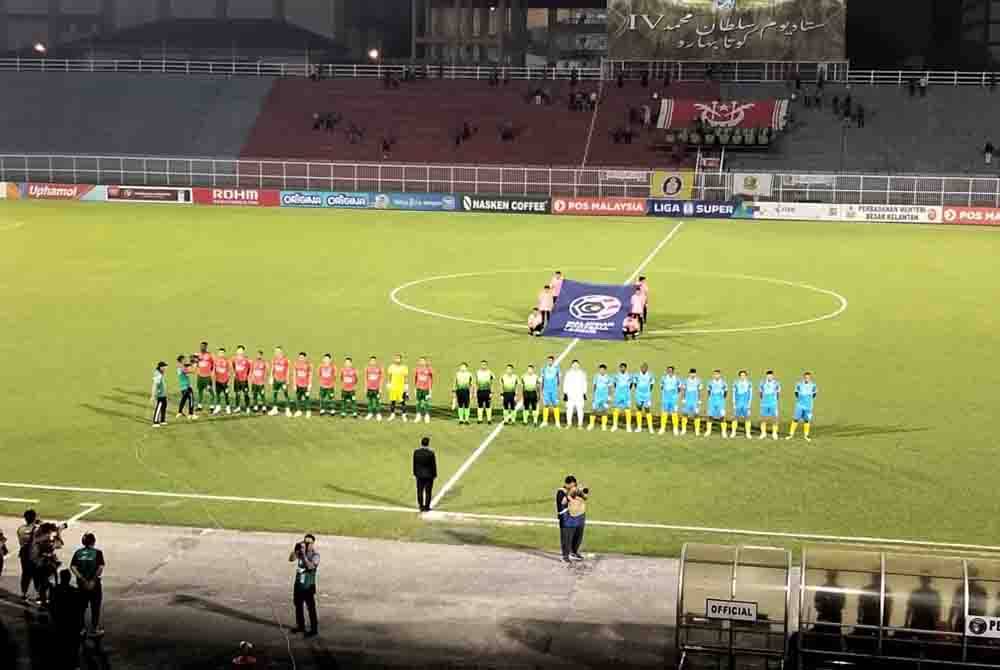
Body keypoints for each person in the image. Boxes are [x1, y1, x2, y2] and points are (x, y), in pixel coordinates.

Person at [70, 532, 105, 635]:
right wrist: (92, 581)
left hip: (81, 585)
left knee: (81, 608)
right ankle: (94, 628)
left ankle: (81, 629)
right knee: (95, 607)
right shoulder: (98, 552)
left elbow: (73, 567)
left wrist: (82, 579)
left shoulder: (78, 552)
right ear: (94, 541)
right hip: (95, 585)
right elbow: (100, 567)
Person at [49, 569, 83, 668]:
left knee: (59, 644)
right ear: (69, 578)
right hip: (72, 622)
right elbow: (79, 609)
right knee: (73, 645)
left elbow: (51, 606)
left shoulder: (55, 590)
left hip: (59, 621)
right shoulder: (75, 591)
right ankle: (75, 664)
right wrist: (81, 625)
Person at [289, 534, 320, 637]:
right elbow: (291, 559)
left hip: (308, 586)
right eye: (305, 542)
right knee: (298, 606)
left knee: (310, 608)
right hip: (298, 585)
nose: (306, 545)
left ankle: (314, 629)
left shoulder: (315, 555)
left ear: (312, 544)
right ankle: (301, 626)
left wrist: (304, 556)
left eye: (308, 543)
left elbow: (310, 567)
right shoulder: (301, 552)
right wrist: (295, 550)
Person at [556, 476, 587, 563]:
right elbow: (563, 502)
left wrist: (581, 492)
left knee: (578, 536)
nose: (573, 487)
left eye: (574, 485)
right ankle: (565, 556)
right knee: (567, 538)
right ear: (567, 484)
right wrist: (571, 493)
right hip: (567, 518)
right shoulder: (561, 492)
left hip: (578, 517)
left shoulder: (577, 490)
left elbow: (585, 498)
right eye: (571, 485)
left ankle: (574, 552)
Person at [787, 371, 817, 441]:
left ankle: (806, 436)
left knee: (807, 420)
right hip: (799, 405)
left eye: (808, 378)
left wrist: (809, 400)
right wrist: (800, 400)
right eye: (806, 377)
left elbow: (814, 394)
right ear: (804, 378)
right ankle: (791, 434)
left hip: (808, 406)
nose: (807, 379)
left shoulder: (813, 385)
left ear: (810, 378)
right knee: (795, 419)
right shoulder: (799, 384)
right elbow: (796, 392)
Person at [17, 509, 38, 601]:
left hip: (23, 553)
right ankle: (39, 595)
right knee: (37, 574)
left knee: (25, 574)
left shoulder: (20, 529)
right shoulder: (37, 529)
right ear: (34, 518)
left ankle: (23, 593)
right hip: (34, 554)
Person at [413, 437, 437, 512]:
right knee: (428, 491)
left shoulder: (416, 452)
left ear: (421, 443)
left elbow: (414, 464)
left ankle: (421, 506)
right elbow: (433, 465)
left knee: (419, 491)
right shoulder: (431, 453)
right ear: (428, 443)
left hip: (419, 475)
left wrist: (415, 473)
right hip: (429, 475)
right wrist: (434, 474)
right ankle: (427, 507)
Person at [563, 360, 587, 430]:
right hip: (570, 395)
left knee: (580, 409)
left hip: (579, 395)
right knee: (569, 410)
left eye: (577, 365)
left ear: (579, 365)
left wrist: (584, 393)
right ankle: (569, 424)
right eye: (574, 365)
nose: (575, 366)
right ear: (571, 365)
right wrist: (565, 393)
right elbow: (565, 383)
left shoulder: (582, 373)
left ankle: (580, 425)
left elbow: (584, 383)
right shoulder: (568, 373)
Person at [704, 370, 729, 438]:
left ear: (720, 375)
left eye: (717, 374)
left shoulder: (723, 383)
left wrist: (722, 399)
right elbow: (708, 391)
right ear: (713, 375)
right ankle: (708, 431)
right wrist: (711, 398)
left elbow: (726, 391)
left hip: (720, 401)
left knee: (722, 416)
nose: (716, 376)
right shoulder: (710, 382)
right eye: (715, 374)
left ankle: (723, 432)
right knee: (710, 416)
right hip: (712, 401)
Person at [269, 346, 292, 417]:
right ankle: (275, 409)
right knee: (275, 394)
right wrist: (271, 377)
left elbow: (288, 370)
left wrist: (287, 380)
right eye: (275, 351)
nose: (276, 353)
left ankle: (288, 410)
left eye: (278, 351)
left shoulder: (286, 360)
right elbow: (272, 368)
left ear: (281, 352)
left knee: (286, 394)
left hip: (283, 380)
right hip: (276, 379)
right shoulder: (274, 360)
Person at [611, 362, 634, 432]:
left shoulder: (629, 376)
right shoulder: (616, 376)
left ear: (626, 368)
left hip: (626, 395)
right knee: (616, 410)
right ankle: (614, 426)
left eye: (624, 367)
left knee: (627, 410)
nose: (622, 368)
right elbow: (614, 384)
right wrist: (618, 390)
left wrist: (627, 391)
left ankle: (628, 426)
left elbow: (631, 384)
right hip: (618, 395)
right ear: (619, 368)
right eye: (621, 367)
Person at [731, 370, 754, 439]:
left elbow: (750, 395)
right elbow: (733, 394)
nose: (742, 377)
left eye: (744, 375)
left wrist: (749, 404)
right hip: (738, 403)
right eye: (741, 376)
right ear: (739, 376)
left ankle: (748, 433)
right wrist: (734, 403)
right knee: (735, 418)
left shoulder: (749, 383)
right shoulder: (736, 383)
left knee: (747, 418)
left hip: (745, 404)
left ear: (746, 376)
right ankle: (733, 432)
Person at [759, 370, 782, 440]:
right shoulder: (762, 383)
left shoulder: (776, 383)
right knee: (763, 418)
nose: (769, 377)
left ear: (773, 376)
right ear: (766, 376)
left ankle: (774, 433)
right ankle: (763, 433)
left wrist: (775, 401)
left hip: (773, 403)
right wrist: (763, 400)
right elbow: (760, 393)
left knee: (774, 418)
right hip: (764, 403)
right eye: (768, 376)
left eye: (771, 376)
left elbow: (778, 393)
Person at [589, 364, 612, 431]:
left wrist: (609, 397)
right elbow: (594, 386)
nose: (601, 371)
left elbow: (610, 387)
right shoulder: (596, 376)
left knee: (604, 411)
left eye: (603, 370)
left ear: (605, 370)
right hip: (597, 396)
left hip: (604, 397)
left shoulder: (608, 377)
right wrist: (593, 395)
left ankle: (604, 425)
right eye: (600, 370)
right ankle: (591, 424)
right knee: (594, 410)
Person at [679, 368, 702, 436]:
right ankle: (683, 430)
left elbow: (699, 391)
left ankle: (697, 431)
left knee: (696, 415)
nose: (692, 374)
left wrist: (699, 400)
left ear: (695, 374)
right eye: (691, 373)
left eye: (693, 373)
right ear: (689, 373)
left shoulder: (698, 381)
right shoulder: (685, 381)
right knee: (685, 414)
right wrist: (683, 399)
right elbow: (683, 390)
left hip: (695, 400)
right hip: (687, 400)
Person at [659, 365, 681, 435]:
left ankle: (675, 429)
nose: (669, 372)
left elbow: (679, 388)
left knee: (674, 413)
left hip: (673, 399)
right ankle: (662, 428)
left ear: (673, 371)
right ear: (667, 371)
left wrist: (675, 395)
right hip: (665, 398)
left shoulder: (677, 379)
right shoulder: (663, 378)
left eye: (671, 370)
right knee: (664, 413)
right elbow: (661, 387)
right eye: (668, 370)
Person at [386, 354, 409, 422]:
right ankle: (392, 414)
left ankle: (404, 415)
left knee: (403, 402)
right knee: (392, 401)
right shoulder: (391, 367)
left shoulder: (404, 367)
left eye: (399, 358)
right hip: (393, 387)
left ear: (401, 359)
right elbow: (389, 376)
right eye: (396, 358)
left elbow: (406, 377)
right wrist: (389, 383)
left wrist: (406, 386)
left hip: (401, 387)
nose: (397, 360)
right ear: (394, 359)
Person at [634, 363, 655, 434]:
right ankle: (639, 427)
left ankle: (650, 428)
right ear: (640, 368)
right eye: (642, 368)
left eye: (645, 368)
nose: (643, 369)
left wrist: (648, 392)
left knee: (647, 410)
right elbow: (635, 384)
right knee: (639, 409)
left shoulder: (650, 375)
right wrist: (638, 392)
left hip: (646, 395)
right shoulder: (637, 375)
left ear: (647, 368)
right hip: (639, 395)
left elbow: (652, 384)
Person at [540, 355, 561, 428]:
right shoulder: (543, 369)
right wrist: (542, 389)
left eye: (551, 361)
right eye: (549, 360)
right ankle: (544, 421)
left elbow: (558, 380)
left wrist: (557, 389)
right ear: (547, 361)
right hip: (546, 390)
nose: (550, 362)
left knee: (555, 405)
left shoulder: (557, 369)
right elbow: (542, 380)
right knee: (546, 405)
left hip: (554, 390)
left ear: (553, 361)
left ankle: (557, 422)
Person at [413, 357, 434, 423]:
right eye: (420, 361)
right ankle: (418, 415)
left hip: (426, 388)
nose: (422, 362)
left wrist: (430, 389)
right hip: (419, 388)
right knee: (418, 402)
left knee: (426, 402)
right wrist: (415, 388)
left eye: (423, 361)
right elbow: (415, 378)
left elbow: (431, 378)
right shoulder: (417, 369)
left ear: (425, 362)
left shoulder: (429, 369)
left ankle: (427, 416)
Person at [212, 347, 232, 415]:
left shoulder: (227, 361)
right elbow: (213, 370)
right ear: (218, 353)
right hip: (217, 380)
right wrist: (213, 376)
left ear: (224, 354)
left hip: (225, 381)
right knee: (217, 394)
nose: (221, 354)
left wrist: (227, 380)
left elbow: (229, 372)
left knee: (226, 395)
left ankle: (228, 408)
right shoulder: (216, 360)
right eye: (220, 353)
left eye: (222, 353)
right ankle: (218, 407)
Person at [195, 341, 214, 410]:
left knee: (210, 391)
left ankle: (212, 406)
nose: (202, 348)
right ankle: (199, 406)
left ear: (206, 347)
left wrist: (210, 372)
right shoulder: (197, 355)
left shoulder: (209, 355)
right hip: (200, 376)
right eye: (201, 346)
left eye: (203, 346)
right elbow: (195, 364)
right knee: (200, 391)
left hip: (207, 377)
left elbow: (213, 364)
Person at [292, 352, 312, 418]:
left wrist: (309, 384)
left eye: (302, 357)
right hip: (298, 384)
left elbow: (310, 375)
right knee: (298, 398)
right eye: (300, 357)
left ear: (305, 358)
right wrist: (294, 384)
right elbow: (294, 374)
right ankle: (298, 410)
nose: (301, 359)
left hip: (305, 385)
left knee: (307, 398)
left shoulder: (308, 365)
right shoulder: (296, 364)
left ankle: (308, 411)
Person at [176, 355, 196, 420]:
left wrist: (191, 363)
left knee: (183, 400)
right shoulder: (181, 367)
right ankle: (191, 414)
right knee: (191, 399)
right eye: (184, 359)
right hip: (186, 386)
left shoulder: (179, 366)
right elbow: (189, 371)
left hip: (182, 387)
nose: (185, 360)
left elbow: (186, 366)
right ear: (181, 360)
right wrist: (194, 366)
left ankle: (180, 412)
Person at [364, 356, 383, 421]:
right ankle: (370, 413)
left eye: (374, 361)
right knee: (370, 401)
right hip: (369, 387)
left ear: (376, 361)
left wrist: (380, 387)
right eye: (371, 361)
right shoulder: (367, 369)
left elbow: (381, 379)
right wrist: (366, 387)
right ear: (370, 362)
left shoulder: (379, 369)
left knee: (377, 401)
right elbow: (366, 378)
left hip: (377, 388)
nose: (372, 362)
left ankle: (378, 414)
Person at [152, 361, 169, 427]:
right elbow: (154, 385)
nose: (166, 368)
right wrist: (153, 396)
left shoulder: (161, 373)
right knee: (159, 407)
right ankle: (155, 422)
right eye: (164, 367)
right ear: (161, 367)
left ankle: (162, 420)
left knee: (164, 406)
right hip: (160, 394)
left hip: (163, 394)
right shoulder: (158, 374)